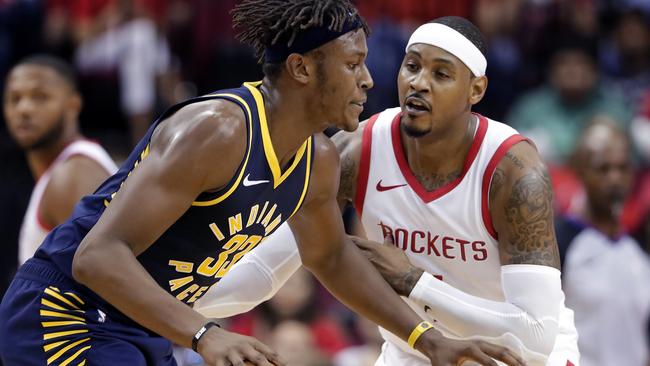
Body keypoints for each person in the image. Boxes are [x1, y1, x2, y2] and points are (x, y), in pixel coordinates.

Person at [0, 2, 523, 366]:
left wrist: (428, 341)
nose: (368, 79)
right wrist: (204, 335)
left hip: (140, 322)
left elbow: (332, 258)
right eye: (353, 63)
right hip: (65, 310)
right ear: (301, 69)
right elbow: (95, 257)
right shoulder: (218, 130)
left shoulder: (316, 158)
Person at [195, 16, 580, 366]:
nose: (419, 83)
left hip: (513, 355)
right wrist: (170, 305)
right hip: (413, 350)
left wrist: (414, 281)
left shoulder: (514, 172)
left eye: (441, 74)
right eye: (412, 66)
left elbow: (536, 336)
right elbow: (265, 270)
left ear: (475, 90)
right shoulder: (358, 150)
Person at [3, 55, 117, 266]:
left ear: (74, 105)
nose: (24, 109)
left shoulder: (74, 172)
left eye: (40, 97)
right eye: (15, 98)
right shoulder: (59, 171)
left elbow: (103, 272)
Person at [556, 120, 650, 366]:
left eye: (623, 168)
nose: (615, 179)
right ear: (580, 170)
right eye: (603, 168)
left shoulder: (638, 250)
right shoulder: (558, 241)